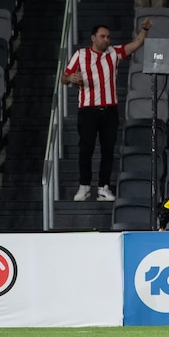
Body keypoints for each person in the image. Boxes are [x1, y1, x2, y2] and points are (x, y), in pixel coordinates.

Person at [64, 19, 153, 202]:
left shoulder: (114, 53)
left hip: (110, 110)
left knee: (108, 149)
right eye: (102, 37)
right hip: (88, 110)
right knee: (85, 148)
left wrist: (144, 29)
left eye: (108, 37)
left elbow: (136, 44)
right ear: (93, 38)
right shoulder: (80, 54)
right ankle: (85, 186)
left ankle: (103, 187)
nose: (106, 40)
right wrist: (70, 78)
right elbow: (64, 77)